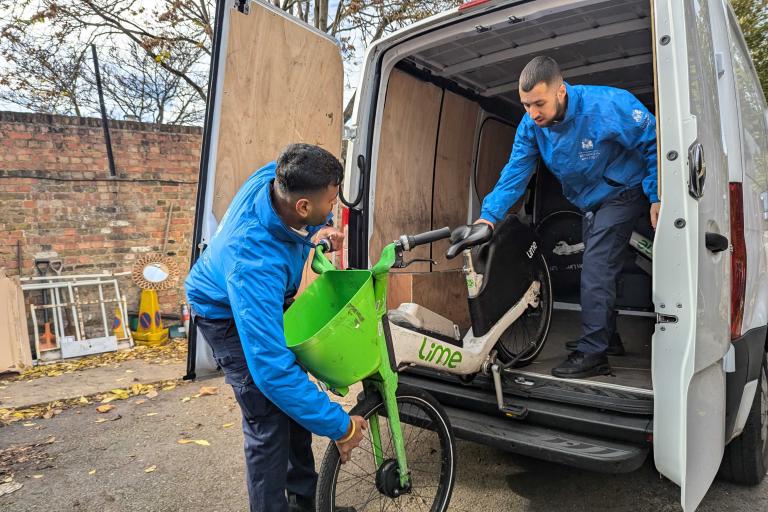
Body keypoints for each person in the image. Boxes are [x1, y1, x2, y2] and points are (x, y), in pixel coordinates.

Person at [185, 143, 366, 512]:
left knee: (294, 411)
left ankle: (306, 505)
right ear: (302, 206)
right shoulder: (256, 262)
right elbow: (272, 373)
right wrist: (340, 426)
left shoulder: (275, 177)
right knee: (267, 421)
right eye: (331, 202)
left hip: (252, 291)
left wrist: (319, 232)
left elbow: (295, 226)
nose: (333, 208)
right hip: (222, 313)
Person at [477, 56, 659, 379]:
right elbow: (515, 172)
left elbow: (653, 140)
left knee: (597, 267)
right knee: (603, 266)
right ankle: (608, 336)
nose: (532, 113)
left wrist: (656, 193)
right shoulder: (532, 126)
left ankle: (594, 353)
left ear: (561, 92)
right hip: (591, 200)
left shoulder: (605, 106)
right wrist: (488, 216)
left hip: (623, 192)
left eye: (539, 104)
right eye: (525, 105)